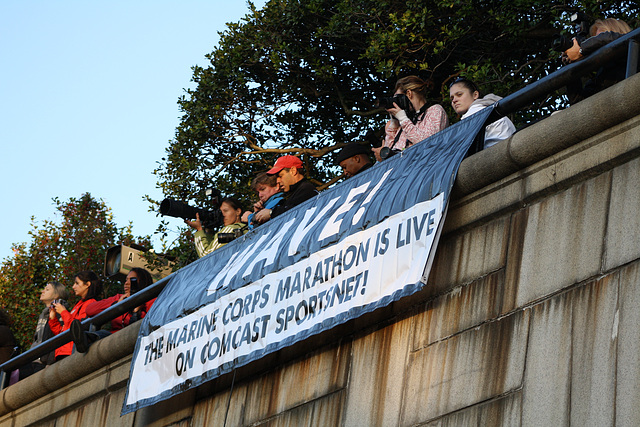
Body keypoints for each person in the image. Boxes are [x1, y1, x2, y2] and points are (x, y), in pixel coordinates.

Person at [72, 268, 156, 353]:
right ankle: (86, 338)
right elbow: (90, 309)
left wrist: (139, 307)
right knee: (102, 334)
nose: (126, 283)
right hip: (115, 336)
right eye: (126, 280)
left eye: (131, 280)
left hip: (138, 334)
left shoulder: (149, 298)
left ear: (141, 281)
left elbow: (154, 319)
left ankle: (87, 338)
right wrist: (117, 304)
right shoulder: (119, 297)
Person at [372, 75, 449, 162]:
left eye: (397, 98)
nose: (395, 103)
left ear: (409, 93)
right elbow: (391, 153)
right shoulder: (406, 122)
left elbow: (429, 144)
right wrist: (394, 123)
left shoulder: (435, 110)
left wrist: (403, 119)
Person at [563, 18, 633, 104]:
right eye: (594, 39)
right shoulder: (600, 78)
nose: (595, 43)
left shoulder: (632, 50)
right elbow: (578, 102)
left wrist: (581, 50)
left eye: (597, 40)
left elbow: (606, 38)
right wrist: (571, 63)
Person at [449, 77, 516, 149]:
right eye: (452, 98)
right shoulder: (488, 109)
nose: (454, 100)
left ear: (475, 95)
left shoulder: (476, 111)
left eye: (459, 94)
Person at [48, 271, 102, 360]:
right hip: (62, 351)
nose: (73, 287)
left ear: (87, 284)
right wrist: (53, 318)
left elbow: (77, 328)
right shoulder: (79, 304)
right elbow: (62, 331)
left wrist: (63, 312)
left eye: (77, 283)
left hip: (72, 352)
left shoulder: (91, 304)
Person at [23, 282, 69, 375]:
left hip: (45, 363)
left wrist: (49, 361)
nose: (42, 291)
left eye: (47, 289)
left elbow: (59, 336)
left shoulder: (60, 312)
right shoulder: (43, 314)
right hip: (35, 360)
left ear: (56, 295)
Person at [254, 155, 318, 221]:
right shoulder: (291, 194)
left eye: (280, 176)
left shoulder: (307, 189)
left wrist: (271, 213)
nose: (277, 181)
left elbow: (296, 212)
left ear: (293, 171)